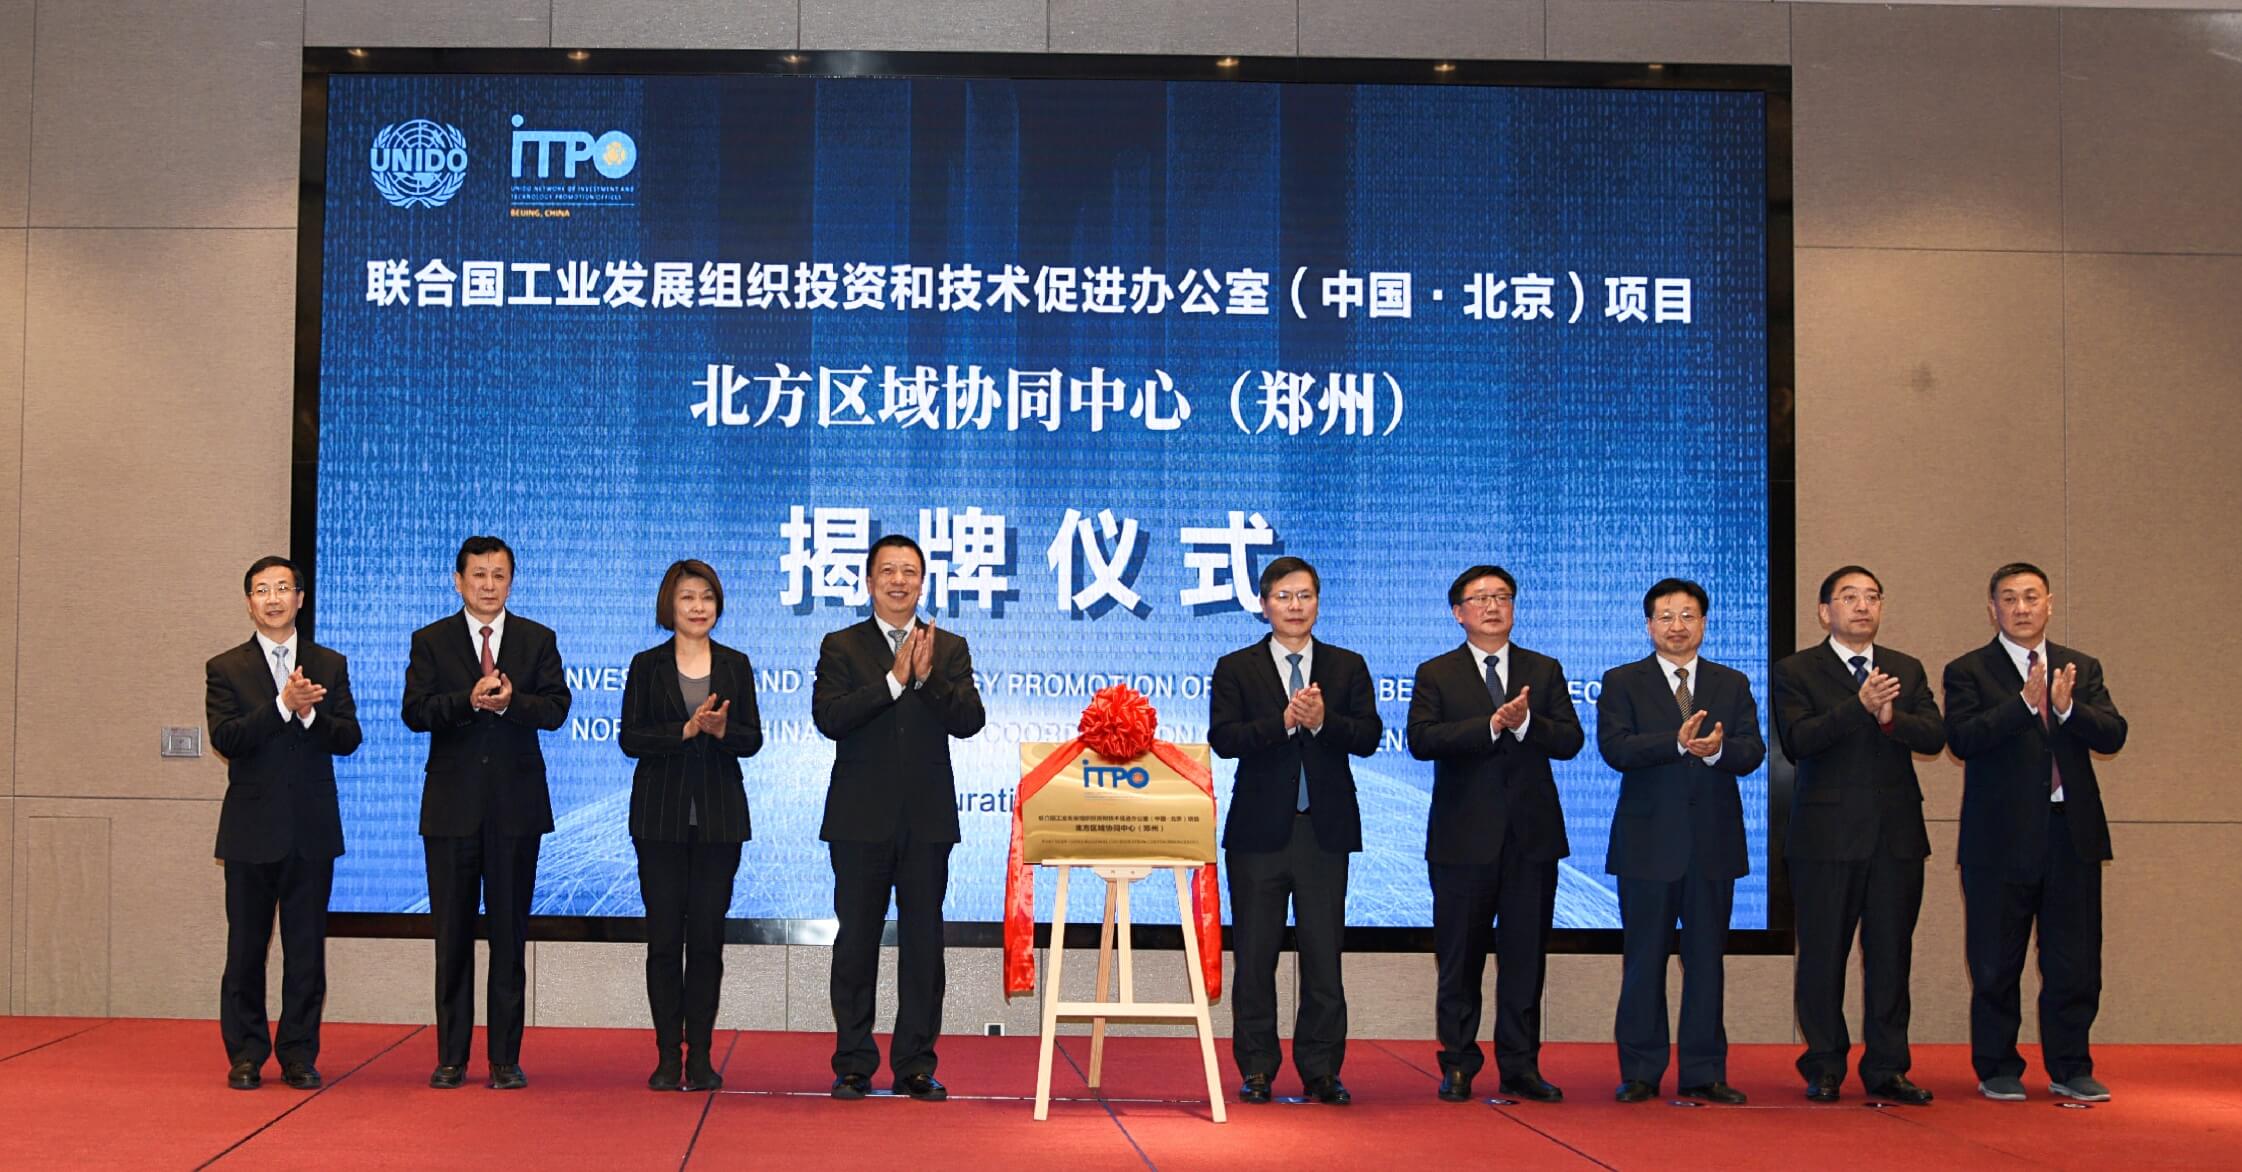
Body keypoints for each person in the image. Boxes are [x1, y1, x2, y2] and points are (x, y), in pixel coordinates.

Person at [1944, 562, 2127, 1103]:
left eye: (2031, 597)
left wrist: (2068, 711)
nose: (2021, 608)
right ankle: (1998, 1065)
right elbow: (1963, 740)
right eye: (2009, 598)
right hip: (1998, 840)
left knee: (2075, 960)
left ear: (2049, 604)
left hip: (2071, 835)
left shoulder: (2080, 666)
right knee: (1995, 960)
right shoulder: (1968, 670)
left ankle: (2071, 1065)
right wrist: (2024, 704)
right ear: (1992, 609)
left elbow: (2113, 734)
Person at [812, 535, 986, 1101]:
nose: (898, 581)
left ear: (922, 582)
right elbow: (830, 718)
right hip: (859, 819)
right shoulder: (841, 646)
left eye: (909, 572)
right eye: (887, 570)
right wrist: (893, 680)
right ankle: (853, 1063)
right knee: (855, 944)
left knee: (923, 945)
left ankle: (915, 1063)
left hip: (927, 821)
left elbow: (970, 720)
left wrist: (928, 678)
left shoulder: (949, 647)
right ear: (869, 581)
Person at [1209, 556, 1382, 1106]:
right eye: (1284, 596)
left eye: (1305, 595)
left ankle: (1322, 1070)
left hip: (1322, 833)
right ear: (1264, 605)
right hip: (1258, 835)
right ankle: (1257, 1067)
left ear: (1318, 603)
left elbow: (1369, 736)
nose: (1295, 606)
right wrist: (1283, 722)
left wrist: (1323, 722)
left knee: (1324, 956)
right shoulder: (1237, 667)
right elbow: (1224, 739)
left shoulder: (1346, 666)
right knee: (1255, 957)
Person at [1407, 565, 1583, 1104]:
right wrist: (1491, 725)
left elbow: (1570, 740)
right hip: (1461, 840)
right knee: (1460, 959)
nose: (1492, 606)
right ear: (1457, 612)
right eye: (1480, 598)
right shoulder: (1436, 672)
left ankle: (1520, 1066)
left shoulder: (1543, 670)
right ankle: (1458, 1063)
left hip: (1532, 840)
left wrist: (1526, 723)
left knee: (1525, 959)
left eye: (1502, 597)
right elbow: (1422, 740)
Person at [402, 536, 572, 1090]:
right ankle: (451, 1057)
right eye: (479, 575)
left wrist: (511, 702)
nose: (489, 585)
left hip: (515, 810)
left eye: (499, 575)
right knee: (451, 938)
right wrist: (468, 700)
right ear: (458, 581)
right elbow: (415, 711)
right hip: (451, 810)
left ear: (511, 582)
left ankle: (505, 1058)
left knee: (508, 937)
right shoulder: (431, 641)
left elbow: (556, 708)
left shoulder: (537, 639)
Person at [1773, 566, 1942, 1106]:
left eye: (1872, 597)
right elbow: (1799, 740)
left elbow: (1934, 735)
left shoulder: (1905, 668)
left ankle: (1888, 1067)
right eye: (1849, 597)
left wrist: (1892, 719)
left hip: (1896, 839)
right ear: (1825, 611)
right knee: (1823, 957)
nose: (1862, 606)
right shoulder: (1796, 670)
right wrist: (1859, 707)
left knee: (1891, 957)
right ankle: (1824, 1064)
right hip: (1824, 839)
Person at [1600, 578, 1765, 1105]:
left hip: (1713, 844)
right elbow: (1616, 749)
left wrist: (1716, 751)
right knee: (1643, 961)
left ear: (1704, 623)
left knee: (1706, 961)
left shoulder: (1731, 683)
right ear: (1649, 625)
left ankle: (1704, 1071)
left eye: (1688, 615)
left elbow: (1753, 751)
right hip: (1647, 844)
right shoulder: (1623, 681)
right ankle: (1640, 1070)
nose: (1678, 625)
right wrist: (1674, 743)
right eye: (1666, 616)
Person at [206, 555, 362, 1091]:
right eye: (261, 590)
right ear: (249, 602)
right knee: (245, 950)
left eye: (282, 588)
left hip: (311, 829)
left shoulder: (330, 663)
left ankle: (298, 1053)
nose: (272, 598)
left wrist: (310, 713)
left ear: (300, 598)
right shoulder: (225, 668)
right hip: (250, 830)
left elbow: (348, 738)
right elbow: (227, 739)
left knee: (305, 951)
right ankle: (246, 1054)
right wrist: (281, 705)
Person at [619, 559, 763, 1092]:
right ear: (670, 605)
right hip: (659, 821)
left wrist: (722, 730)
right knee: (664, 941)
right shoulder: (646, 665)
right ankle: (665, 1056)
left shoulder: (736, 664)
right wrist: (682, 730)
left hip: (719, 824)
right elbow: (630, 738)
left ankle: (699, 1055)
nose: (698, 607)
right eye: (687, 597)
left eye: (706, 597)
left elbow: (752, 738)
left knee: (705, 942)